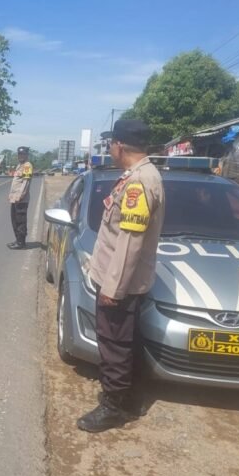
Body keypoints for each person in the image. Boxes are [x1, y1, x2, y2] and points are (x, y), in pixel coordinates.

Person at [78, 119, 165, 433]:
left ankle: (113, 407)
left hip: (120, 284)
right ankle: (130, 399)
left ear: (119, 145)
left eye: (110, 144)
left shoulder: (138, 182)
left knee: (113, 343)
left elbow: (129, 241)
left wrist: (113, 288)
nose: (109, 149)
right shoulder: (140, 175)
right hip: (125, 281)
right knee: (127, 341)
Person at [7, 146, 33, 249]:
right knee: (14, 220)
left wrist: (20, 196)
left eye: (23, 154)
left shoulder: (27, 166)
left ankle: (21, 243)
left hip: (21, 199)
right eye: (19, 154)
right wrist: (11, 196)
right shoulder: (19, 165)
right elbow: (16, 182)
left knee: (20, 221)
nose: (20, 156)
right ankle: (18, 240)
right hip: (15, 198)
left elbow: (26, 182)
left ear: (26, 155)